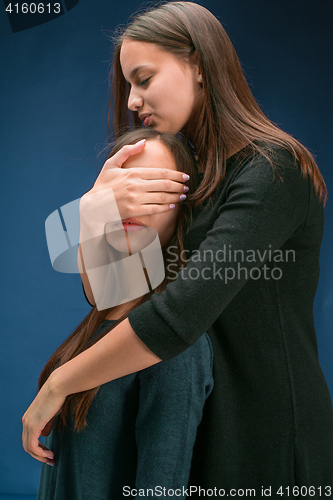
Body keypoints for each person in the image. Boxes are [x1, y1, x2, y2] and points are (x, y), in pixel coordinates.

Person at [23, 1, 333, 495]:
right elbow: (111, 296)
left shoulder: (273, 171)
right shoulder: (194, 176)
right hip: (203, 428)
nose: (130, 101)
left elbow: (180, 313)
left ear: (200, 67)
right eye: (128, 84)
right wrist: (93, 212)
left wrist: (62, 382)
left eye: (143, 79)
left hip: (266, 436)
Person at [37, 128, 213, 499]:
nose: (130, 204)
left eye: (152, 187)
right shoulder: (105, 314)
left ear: (184, 206)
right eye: (121, 189)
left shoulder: (177, 348)